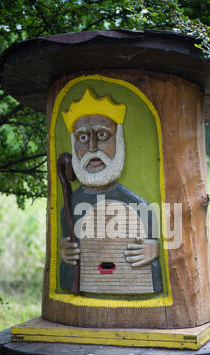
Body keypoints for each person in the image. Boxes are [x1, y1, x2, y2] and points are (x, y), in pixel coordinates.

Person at [59, 87, 162, 294]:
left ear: (119, 139)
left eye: (103, 135)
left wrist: (153, 250)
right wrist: (65, 249)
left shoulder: (139, 206)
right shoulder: (71, 206)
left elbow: (157, 246)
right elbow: (67, 246)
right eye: (83, 138)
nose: (93, 147)